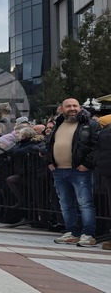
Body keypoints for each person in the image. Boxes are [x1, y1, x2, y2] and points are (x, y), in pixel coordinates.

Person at [45, 98, 100, 246]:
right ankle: (72, 232)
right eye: (68, 106)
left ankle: (88, 234)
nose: (72, 108)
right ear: (61, 108)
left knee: (85, 203)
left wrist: (86, 164)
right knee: (65, 204)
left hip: (80, 171)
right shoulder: (58, 124)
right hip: (59, 171)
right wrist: (49, 161)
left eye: (75, 105)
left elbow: (95, 146)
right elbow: (49, 143)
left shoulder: (90, 124)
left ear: (80, 107)